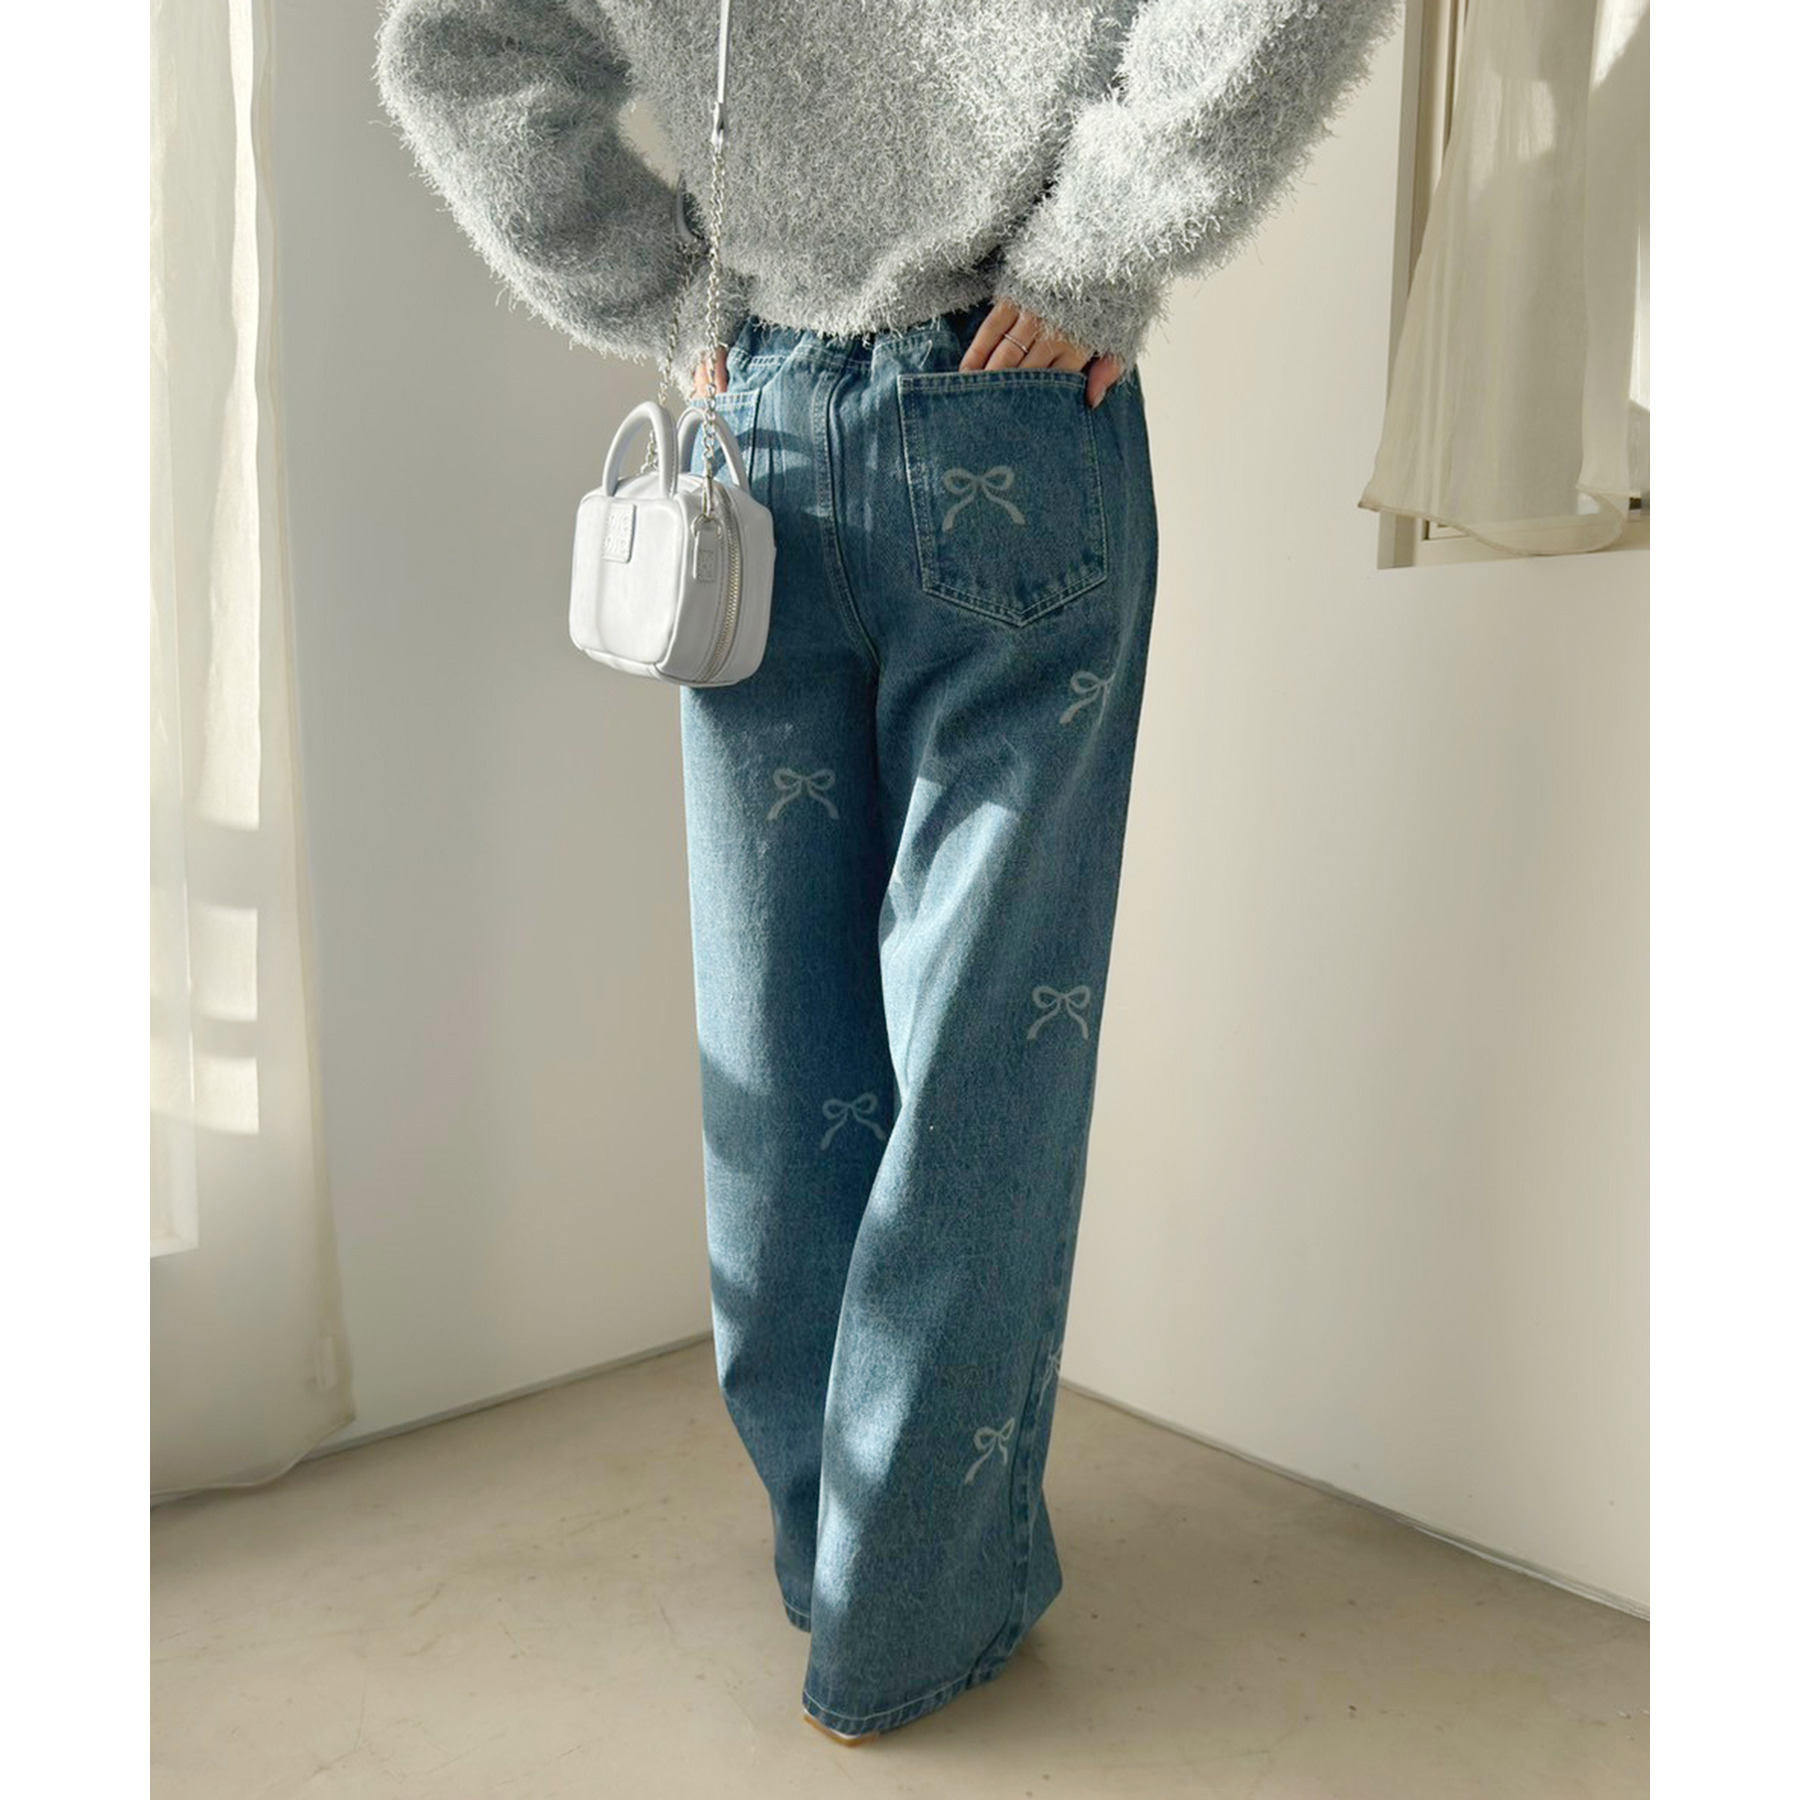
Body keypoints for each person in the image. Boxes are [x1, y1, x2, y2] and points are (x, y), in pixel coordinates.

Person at [375, 0, 1402, 1745]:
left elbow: (454, 47)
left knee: (779, 1059)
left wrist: (671, 303)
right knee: (984, 1055)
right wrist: (1097, 249)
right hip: (1016, 421)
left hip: (756, 431)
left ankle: (836, 1555)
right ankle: (903, 1615)